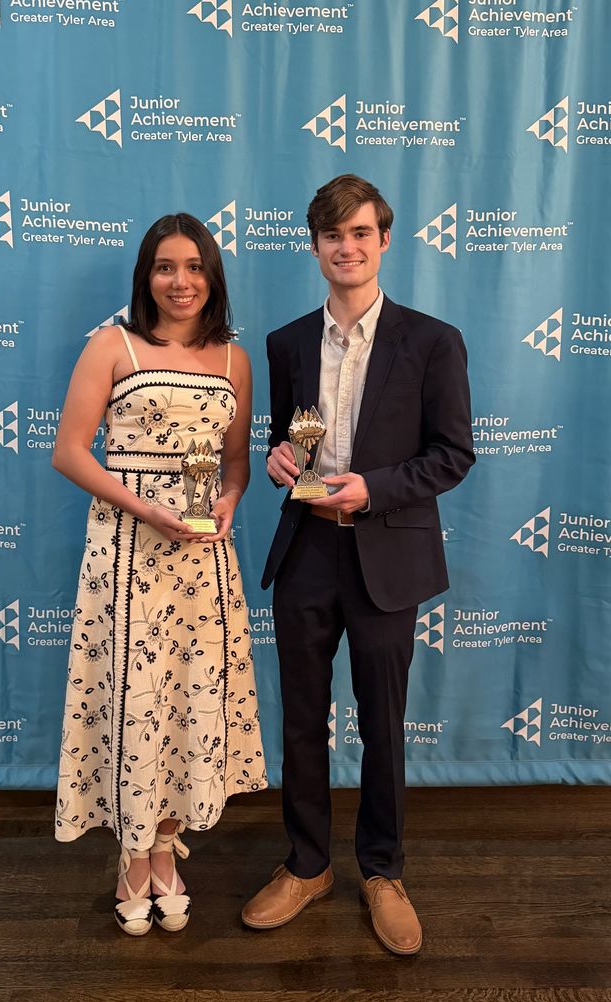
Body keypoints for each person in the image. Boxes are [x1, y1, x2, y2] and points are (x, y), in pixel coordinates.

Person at [241, 175, 474, 954]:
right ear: (315, 247)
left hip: (386, 557)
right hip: (306, 552)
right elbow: (291, 439)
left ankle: (383, 871)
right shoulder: (286, 343)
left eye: (361, 233)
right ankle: (307, 865)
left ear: (383, 241)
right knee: (302, 722)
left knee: (381, 724)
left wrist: (373, 487)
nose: (347, 247)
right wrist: (280, 459)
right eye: (333, 236)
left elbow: (452, 455)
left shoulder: (432, 341)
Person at [53, 212, 267, 936]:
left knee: (187, 701)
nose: (182, 281)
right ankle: (132, 854)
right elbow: (71, 451)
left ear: (214, 276)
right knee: (131, 700)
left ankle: (169, 843)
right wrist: (144, 507)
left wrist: (231, 499)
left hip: (203, 558)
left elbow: (235, 461)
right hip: (128, 550)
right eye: (166, 266)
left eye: (196, 266)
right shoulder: (110, 346)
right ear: (146, 276)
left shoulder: (235, 359)